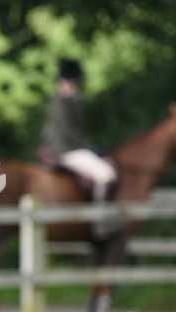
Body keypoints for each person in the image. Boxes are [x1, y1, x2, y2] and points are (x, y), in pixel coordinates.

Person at [39, 58, 119, 238]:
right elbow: (70, 134)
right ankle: (101, 221)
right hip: (66, 150)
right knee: (106, 175)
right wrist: (91, 149)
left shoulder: (64, 101)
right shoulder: (62, 102)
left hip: (64, 147)